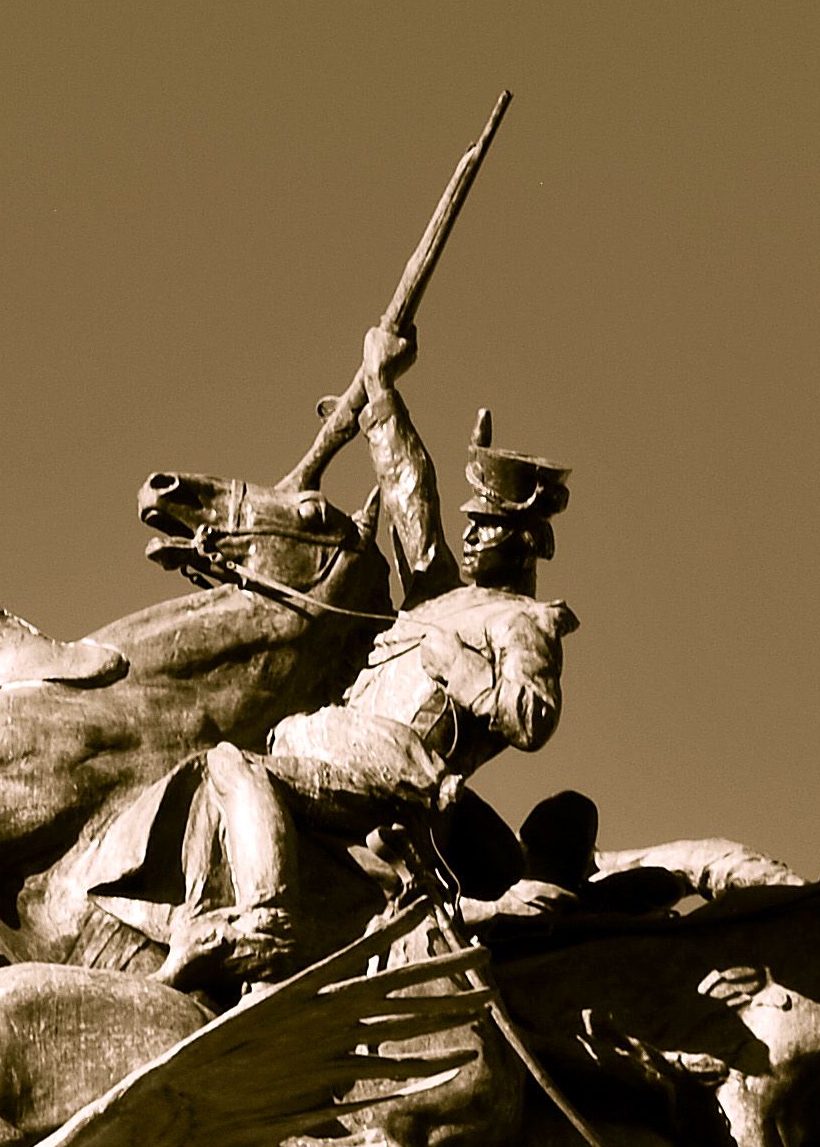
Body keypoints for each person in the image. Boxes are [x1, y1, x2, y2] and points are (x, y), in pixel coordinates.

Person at [167, 324, 575, 993]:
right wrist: (381, 391)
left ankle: (267, 921)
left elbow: (533, 718)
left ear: (526, 542)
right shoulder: (439, 593)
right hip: (334, 748)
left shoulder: (522, 621)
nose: (472, 536)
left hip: (399, 779)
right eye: (472, 522)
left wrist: (467, 673)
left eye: (490, 526)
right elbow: (411, 491)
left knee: (233, 766)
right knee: (216, 778)